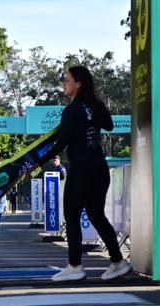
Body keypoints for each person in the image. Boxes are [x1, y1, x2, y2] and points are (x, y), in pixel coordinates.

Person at [50, 65, 131, 283]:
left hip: (82, 169)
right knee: (96, 214)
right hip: (99, 167)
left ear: (79, 83)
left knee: (72, 214)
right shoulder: (96, 106)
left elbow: (61, 141)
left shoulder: (72, 110)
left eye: (67, 80)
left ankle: (75, 265)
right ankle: (118, 261)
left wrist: (35, 161)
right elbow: (109, 125)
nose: (64, 84)